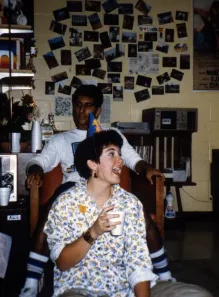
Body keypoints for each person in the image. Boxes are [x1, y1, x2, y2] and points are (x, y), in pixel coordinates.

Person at [20, 85, 170, 296]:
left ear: (97, 110)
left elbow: (133, 159)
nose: (81, 111)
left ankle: (164, 275)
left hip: (110, 191)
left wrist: (148, 169)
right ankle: (31, 281)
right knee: (51, 210)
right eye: (78, 105)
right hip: (71, 188)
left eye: (88, 106)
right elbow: (40, 161)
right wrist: (35, 171)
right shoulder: (60, 140)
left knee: (141, 214)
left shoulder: (111, 137)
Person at [44, 130, 213, 297]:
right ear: (92, 164)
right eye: (111, 154)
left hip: (126, 289)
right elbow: (62, 263)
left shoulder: (130, 203)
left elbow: (138, 264)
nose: (120, 160)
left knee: (197, 294)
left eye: (119, 154)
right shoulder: (66, 203)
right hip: (78, 289)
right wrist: (93, 232)